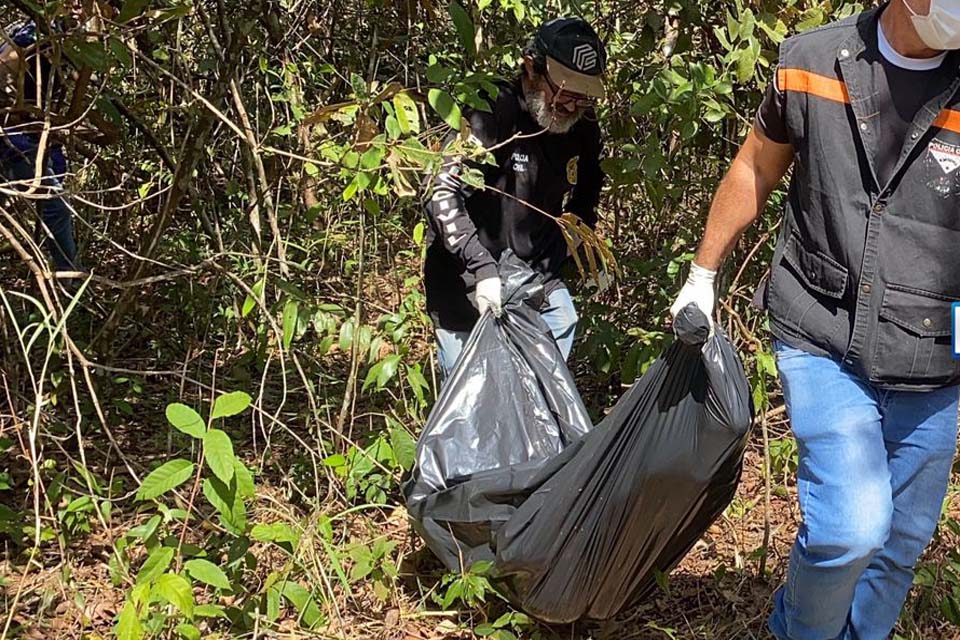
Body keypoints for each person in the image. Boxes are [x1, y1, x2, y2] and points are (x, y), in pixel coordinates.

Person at [670, 1, 960, 638]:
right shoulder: (812, 62)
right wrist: (702, 274)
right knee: (849, 528)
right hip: (822, 328)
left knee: (901, 542)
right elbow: (754, 165)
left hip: (937, 352)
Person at [422, 16, 607, 379]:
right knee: (472, 409)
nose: (572, 108)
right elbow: (439, 189)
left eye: (584, 98)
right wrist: (481, 268)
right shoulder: (493, 109)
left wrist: (565, 252)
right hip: (468, 284)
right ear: (532, 69)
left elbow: (587, 193)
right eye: (566, 93)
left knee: (541, 385)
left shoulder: (581, 129)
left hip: (536, 278)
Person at [0, 18, 80, 274]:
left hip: (29, 132)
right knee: (55, 204)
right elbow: (5, 67)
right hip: (13, 135)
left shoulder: (67, 39)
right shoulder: (39, 33)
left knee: (54, 199)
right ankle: (69, 279)